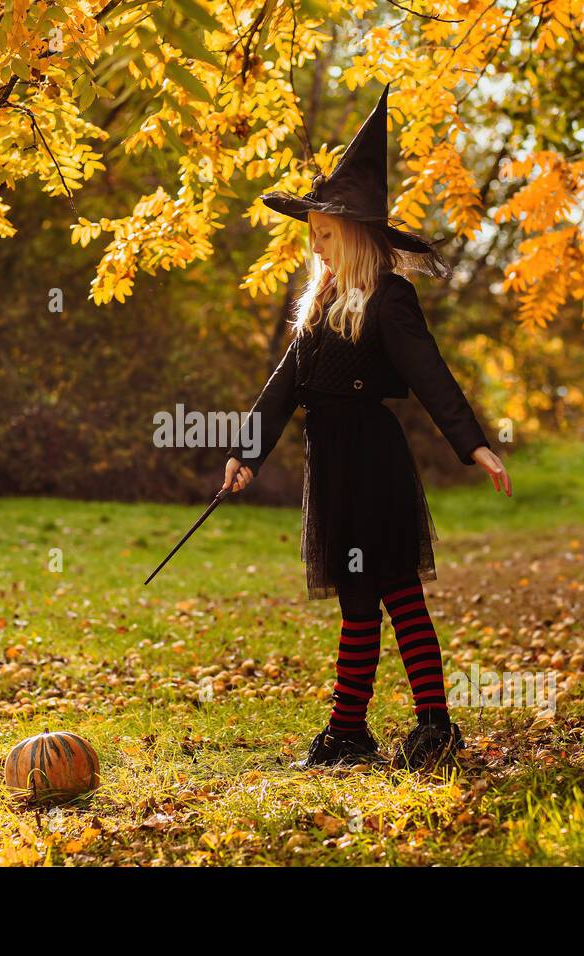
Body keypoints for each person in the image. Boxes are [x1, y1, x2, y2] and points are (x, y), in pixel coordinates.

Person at [223, 84, 512, 770]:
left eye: (326, 234)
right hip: (332, 467)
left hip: (374, 463)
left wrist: (473, 444)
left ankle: (435, 726)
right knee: (358, 600)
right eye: (313, 236)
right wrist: (247, 455)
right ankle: (349, 731)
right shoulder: (318, 304)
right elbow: (284, 387)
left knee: (396, 592)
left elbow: (431, 375)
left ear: (354, 234)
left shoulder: (389, 299)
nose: (316, 247)